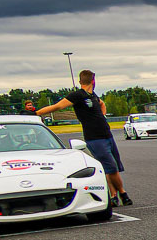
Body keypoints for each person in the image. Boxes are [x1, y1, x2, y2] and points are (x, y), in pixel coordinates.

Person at [37, 69, 130, 205]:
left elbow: (102, 103)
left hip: (107, 135)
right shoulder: (78, 95)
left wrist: (102, 116)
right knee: (112, 167)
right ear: (93, 80)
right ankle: (123, 193)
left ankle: (113, 196)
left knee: (109, 168)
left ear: (81, 81)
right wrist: (36, 113)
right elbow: (57, 106)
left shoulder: (93, 95)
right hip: (95, 137)